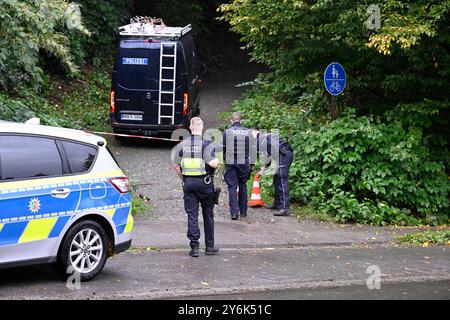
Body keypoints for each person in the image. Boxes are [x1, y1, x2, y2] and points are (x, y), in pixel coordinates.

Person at [173, 117, 220, 257]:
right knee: (208, 215)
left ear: (190, 128)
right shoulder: (206, 145)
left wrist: (184, 179)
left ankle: (194, 247)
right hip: (205, 185)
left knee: (192, 216)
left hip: (188, 184)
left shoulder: (182, 145)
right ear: (202, 127)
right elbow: (214, 164)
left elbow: (176, 166)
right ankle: (209, 247)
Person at [251, 128, 293, 216]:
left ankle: (285, 208)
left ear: (254, 132)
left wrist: (259, 167)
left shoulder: (260, 139)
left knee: (282, 179)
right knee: (276, 178)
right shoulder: (264, 137)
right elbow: (269, 155)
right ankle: (277, 204)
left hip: (284, 155)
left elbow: (263, 156)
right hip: (281, 155)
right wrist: (264, 168)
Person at [222, 112, 252, 220]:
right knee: (243, 184)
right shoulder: (248, 132)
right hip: (243, 161)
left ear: (231, 121)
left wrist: (224, 161)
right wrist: (251, 165)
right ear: (241, 121)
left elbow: (223, 147)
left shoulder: (227, 132)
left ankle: (234, 213)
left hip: (231, 161)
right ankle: (243, 211)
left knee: (232, 186)